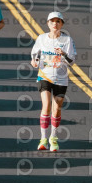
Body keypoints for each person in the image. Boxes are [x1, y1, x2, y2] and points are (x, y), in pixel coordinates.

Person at [30, 11, 77, 152]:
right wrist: (34, 61)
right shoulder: (42, 38)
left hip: (61, 79)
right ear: (48, 24)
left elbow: (72, 62)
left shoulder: (67, 40)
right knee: (46, 106)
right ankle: (43, 139)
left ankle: (53, 138)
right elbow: (35, 54)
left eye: (58, 21)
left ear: (62, 24)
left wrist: (63, 54)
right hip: (44, 76)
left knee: (56, 110)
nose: (55, 24)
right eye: (52, 21)